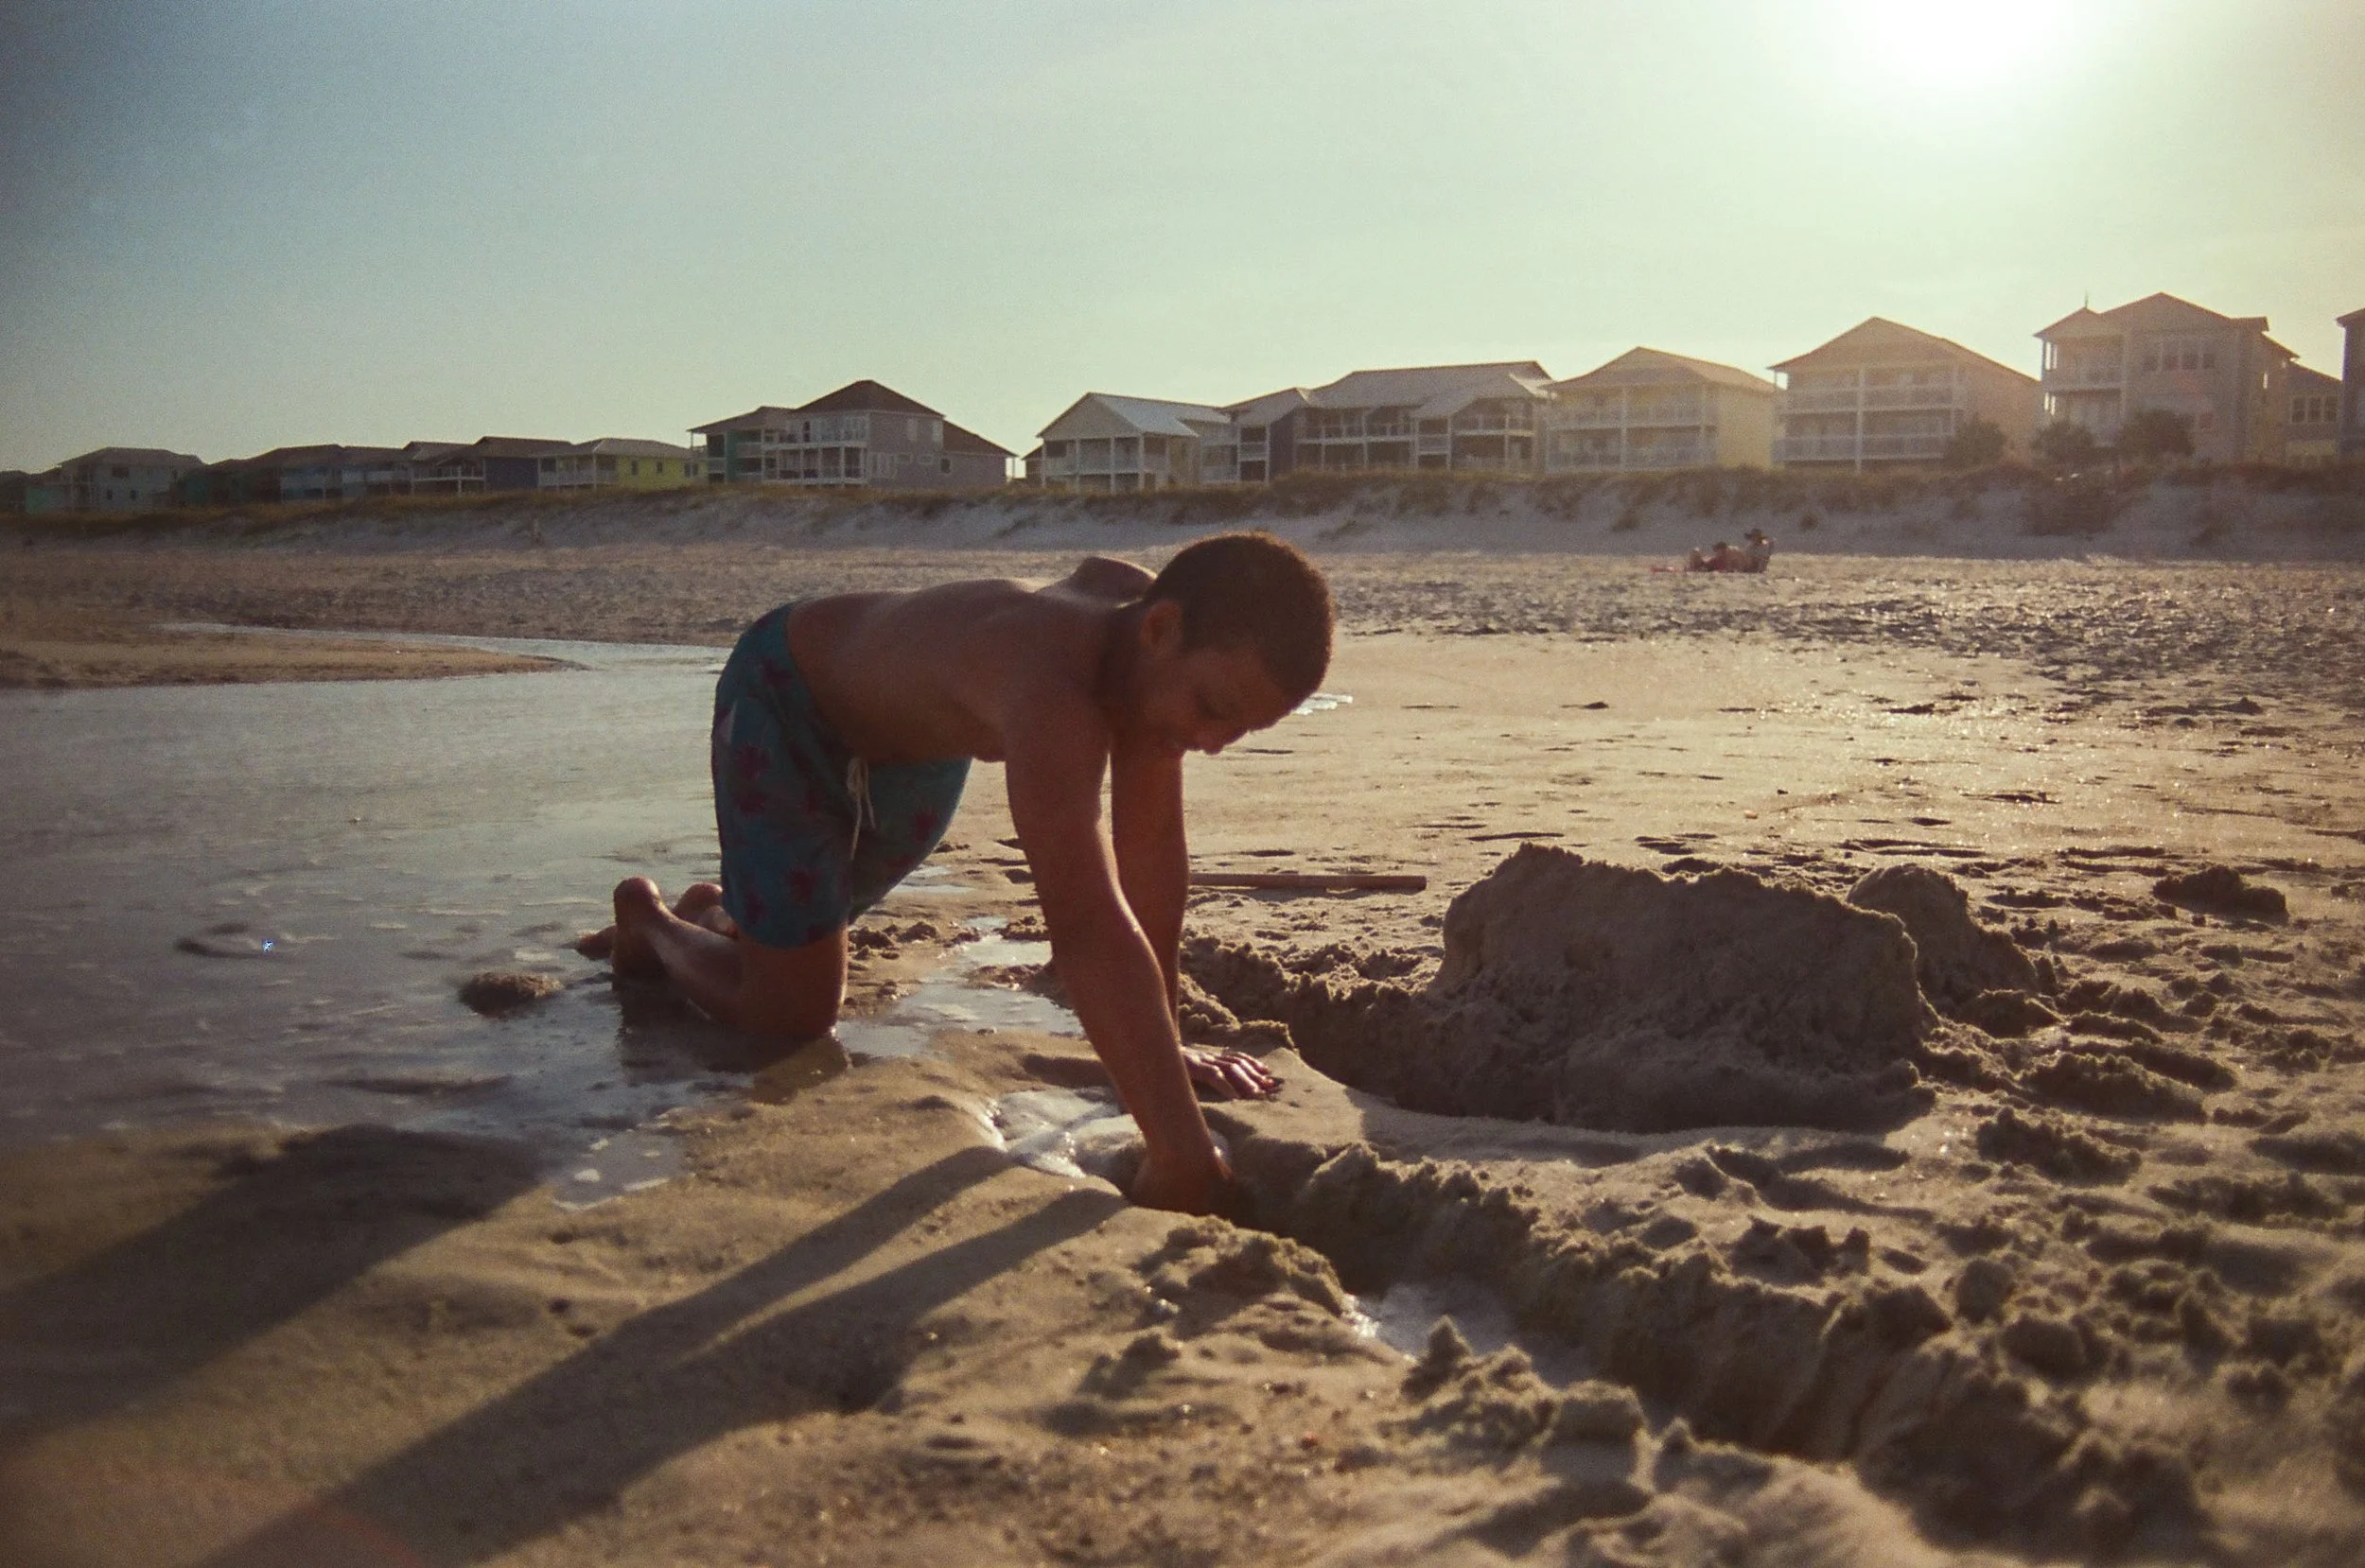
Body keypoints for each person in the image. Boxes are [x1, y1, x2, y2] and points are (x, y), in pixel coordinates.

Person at [578, 531, 1332, 1215]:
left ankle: (725, 913)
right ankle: (647, 920)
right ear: (1161, 627)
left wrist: (1163, 1052)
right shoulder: (1051, 689)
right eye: (1212, 709)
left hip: (914, 763)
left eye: (1240, 730)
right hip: (786, 702)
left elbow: (1152, 865)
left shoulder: (1150, 647)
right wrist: (1180, 1152)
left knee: (790, 931)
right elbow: (1088, 926)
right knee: (794, 1011)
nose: (1212, 742)